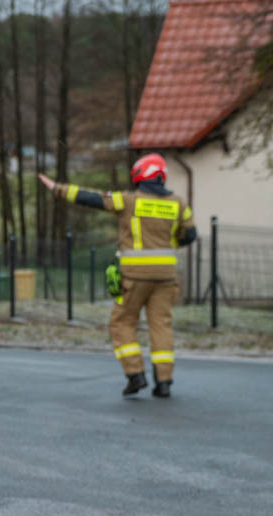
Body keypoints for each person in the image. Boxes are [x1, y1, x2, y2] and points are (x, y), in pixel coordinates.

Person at [40, 155, 196, 397]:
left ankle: (135, 375)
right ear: (161, 175)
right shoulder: (178, 204)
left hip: (134, 277)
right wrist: (169, 241)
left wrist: (57, 188)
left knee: (122, 322)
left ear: (139, 175)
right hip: (165, 277)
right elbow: (189, 235)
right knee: (161, 325)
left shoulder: (128, 200)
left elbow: (92, 198)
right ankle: (164, 382)